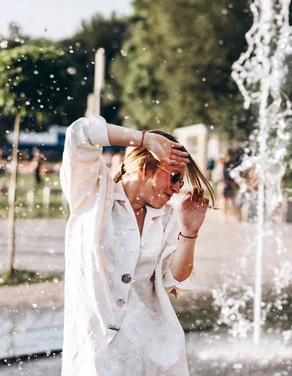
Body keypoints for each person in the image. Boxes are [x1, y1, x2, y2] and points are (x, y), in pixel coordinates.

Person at [60, 115, 215, 375]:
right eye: (175, 177)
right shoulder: (92, 194)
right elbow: (81, 133)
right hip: (96, 351)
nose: (178, 188)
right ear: (147, 166)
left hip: (152, 351)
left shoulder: (165, 218)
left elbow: (173, 279)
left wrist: (190, 232)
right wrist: (145, 139)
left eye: (181, 182)